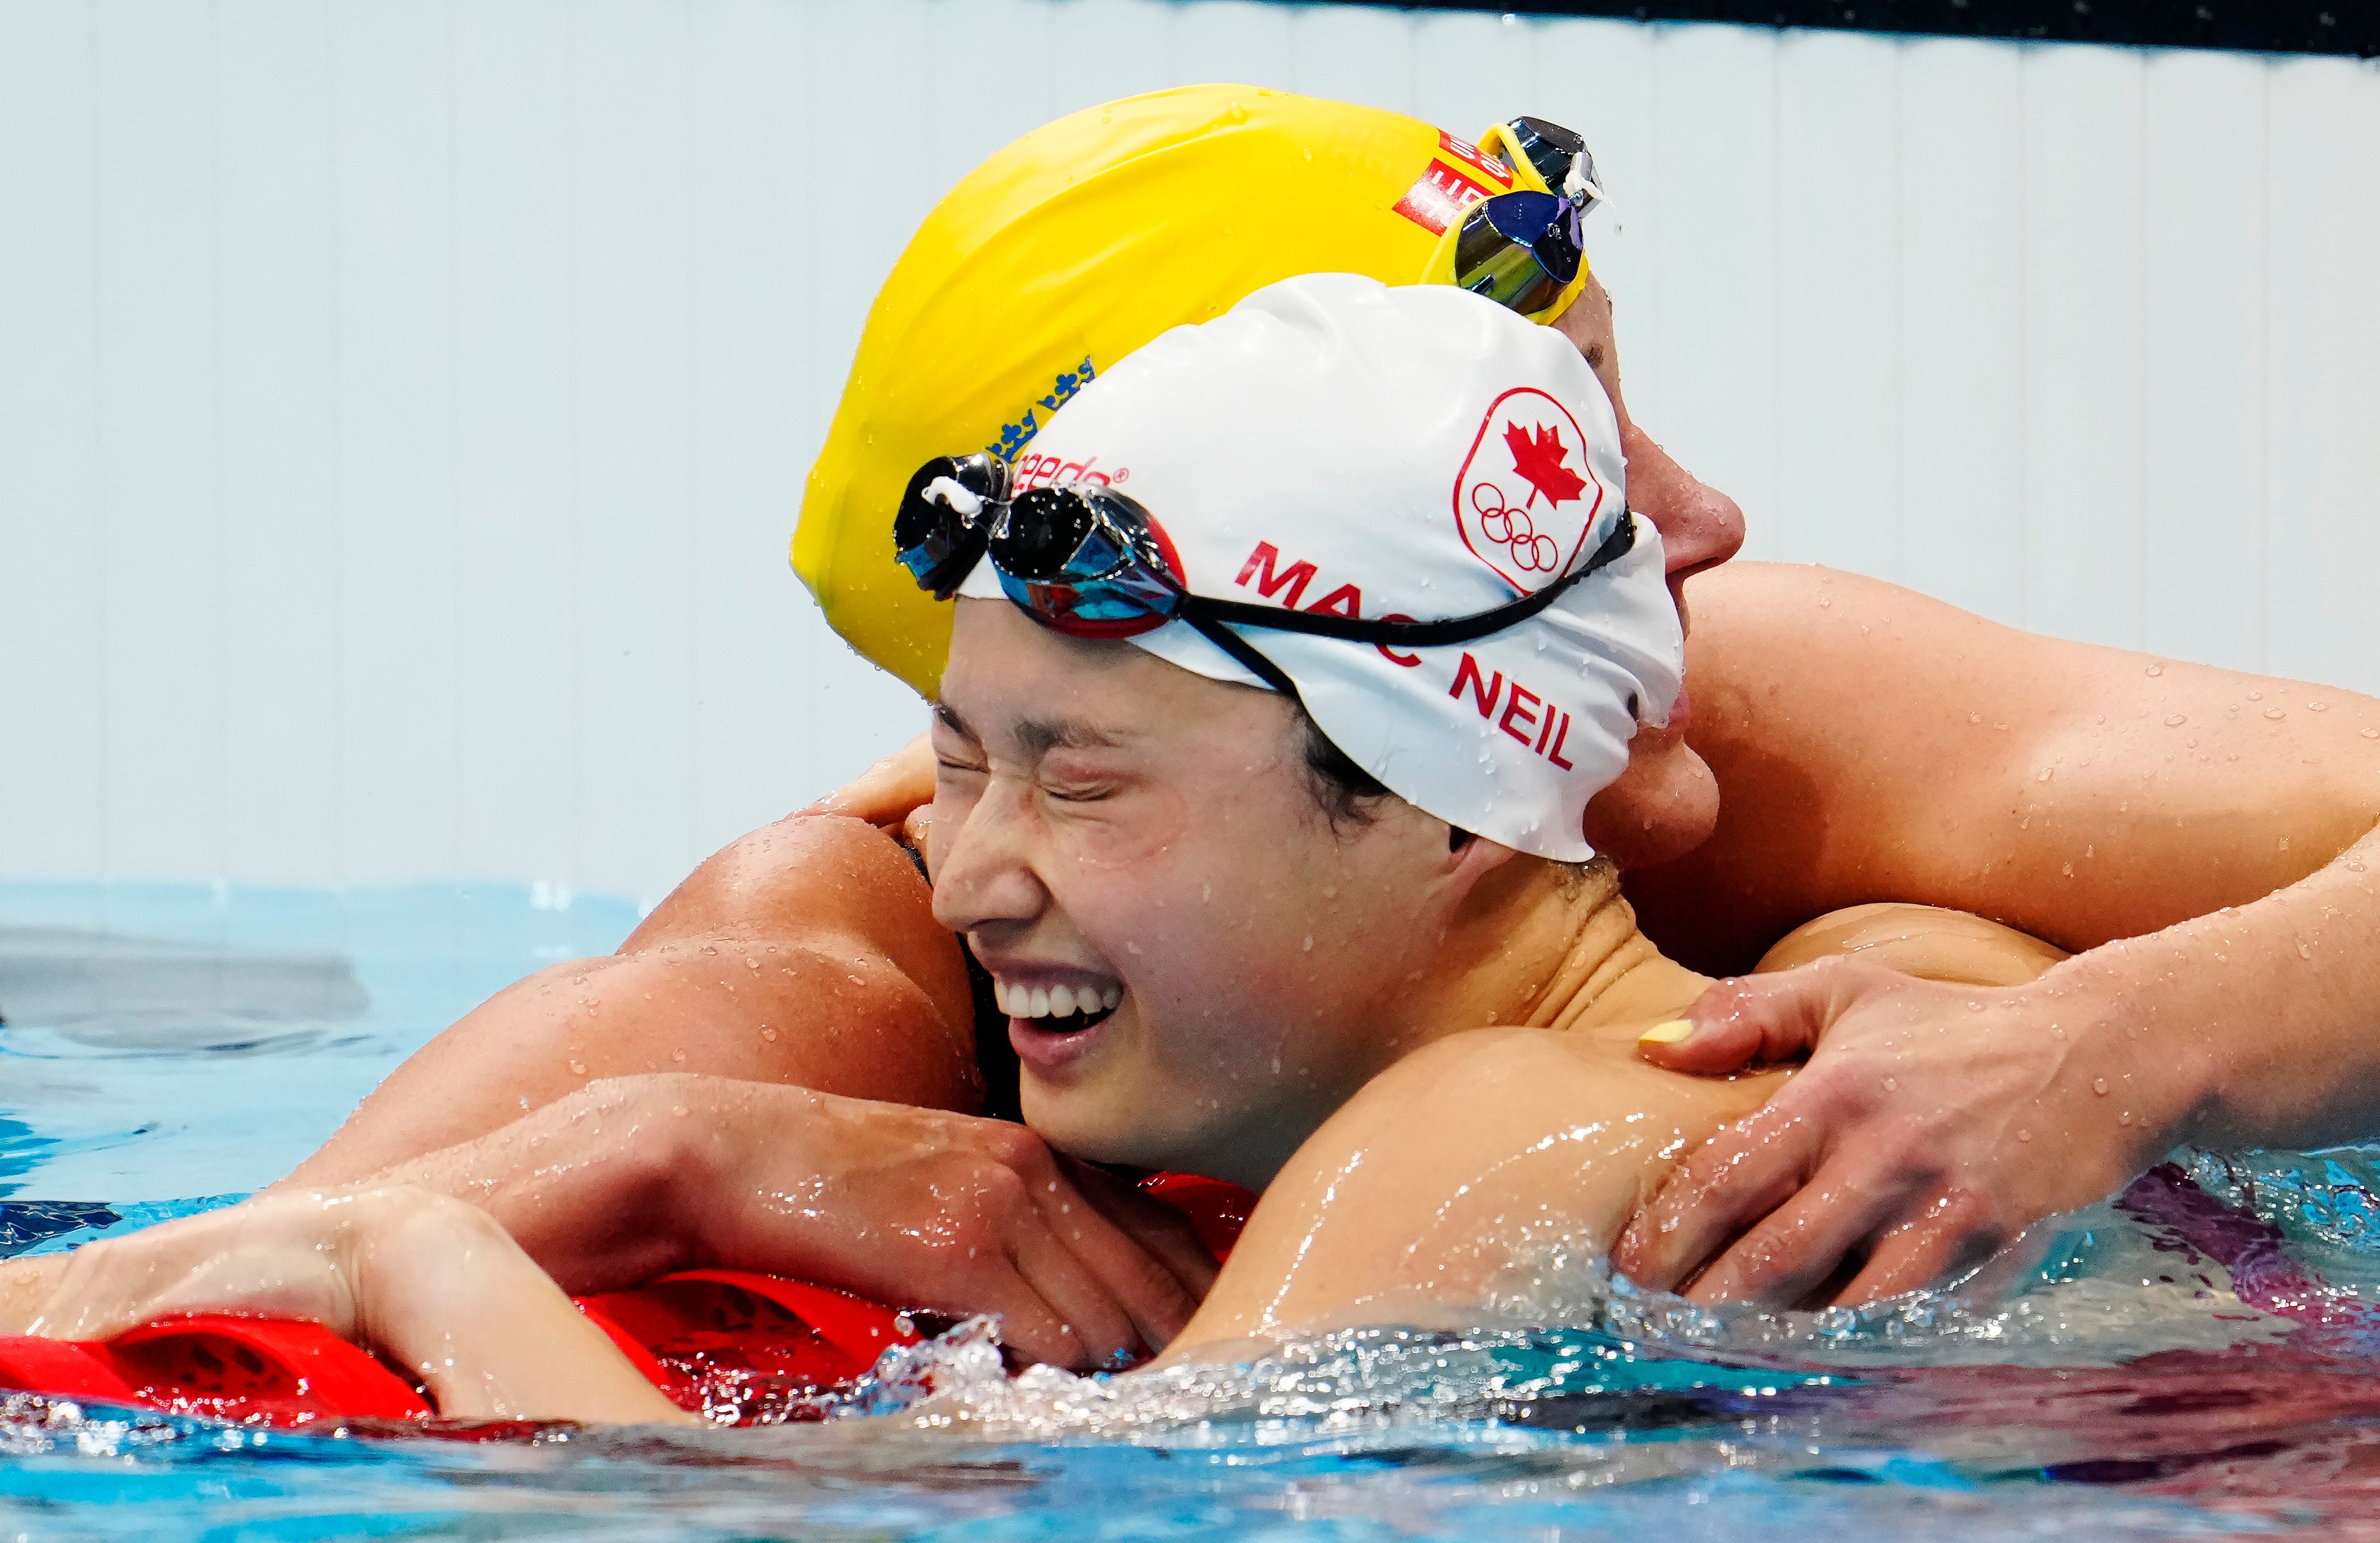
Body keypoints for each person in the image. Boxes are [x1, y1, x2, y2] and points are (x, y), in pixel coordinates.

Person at [281, 86, 2380, 1314]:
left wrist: (2113, 1047)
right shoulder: (837, 981)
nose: (1698, 516)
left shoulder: (1770, 739)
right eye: (1571, 444)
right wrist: (672, 1157)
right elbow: (164, 1343)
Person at [0, 277, 2073, 1417]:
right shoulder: (1896, 976)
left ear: (1455, 799)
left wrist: (460, 1233)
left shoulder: (1480, 1125)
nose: (969, 872)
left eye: (1079, 785)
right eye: (953, 767)